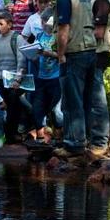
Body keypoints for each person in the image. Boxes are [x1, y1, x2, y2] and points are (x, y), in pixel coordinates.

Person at [48, 0, 97, 158]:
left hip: (74, 53)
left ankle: (73, 144)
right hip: (90, 51)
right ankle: (84, 140)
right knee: (86, 99)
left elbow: (64, 29)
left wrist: (60, 54)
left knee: (71, 100)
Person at [77, 0, 110, 155]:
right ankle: (95, 137)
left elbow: (99, 32)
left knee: (97, 99)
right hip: (91, 52)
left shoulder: (101, 0)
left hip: (98, 53)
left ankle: (100, 141)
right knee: (90, 97)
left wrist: (76, 36)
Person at [0, 10, 27, 142]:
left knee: (13, 106)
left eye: (1, 24)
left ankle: (12, 134)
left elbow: (21, 61)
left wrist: (17, 79)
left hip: (12, 80)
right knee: (1, 107)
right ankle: (0, 133)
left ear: (10, 24)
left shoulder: (17, 38)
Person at [29, 15, 61, 143]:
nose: (44, 24)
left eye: (47, 22)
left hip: (55, 77)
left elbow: (63, 56)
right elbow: (35, 54)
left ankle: (59, 138)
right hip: (41, 77)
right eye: (43, 21)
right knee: (37, 107)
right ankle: (41, 139)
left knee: (56, 109)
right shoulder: (39, 36)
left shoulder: (57, 36)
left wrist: (49, 54)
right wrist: (32, 55)